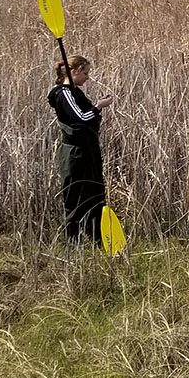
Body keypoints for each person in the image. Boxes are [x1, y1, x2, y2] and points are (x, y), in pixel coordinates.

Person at [47, 55, 113, 245]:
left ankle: (97, 239)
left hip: (89, 152)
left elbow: (86, 116)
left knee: (95, 194)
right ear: (73, 71)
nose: (87, 77)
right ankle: (73, 242)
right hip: (75, 154)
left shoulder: (76, 92)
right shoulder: (63, 93)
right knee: (75, 197)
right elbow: (82, 118)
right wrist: (99, 107)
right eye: (85, 73)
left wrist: (95, 108)